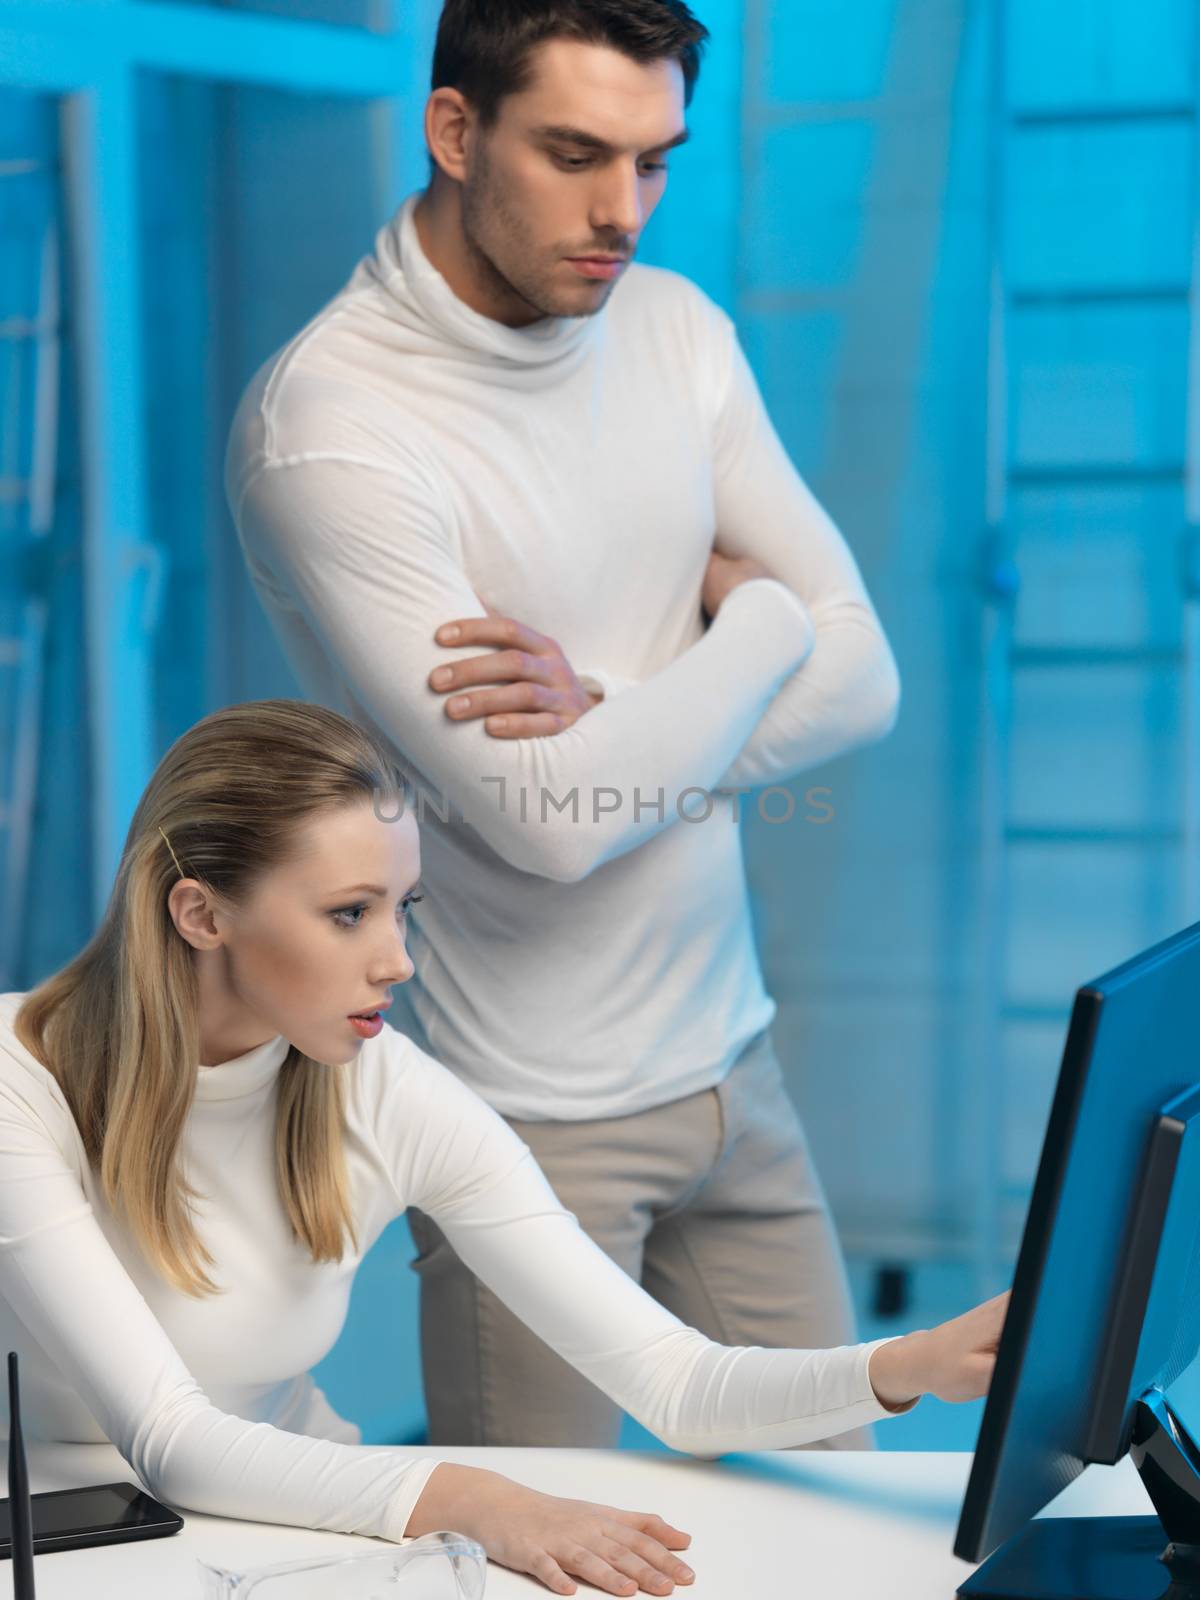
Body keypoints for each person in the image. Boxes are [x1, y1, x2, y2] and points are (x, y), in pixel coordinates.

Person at [225, 0, 903, 1452]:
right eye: (577, 153)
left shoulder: (676, 333)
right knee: (567, 1563)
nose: (623, 213)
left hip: (736, 1066)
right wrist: (766, 626)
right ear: (455, 130)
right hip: (525, 1130)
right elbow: (553, 826)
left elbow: (872, 680)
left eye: (656, 162)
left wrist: (625, 718)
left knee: (849, 1536)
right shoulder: (335, 424)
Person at [2, 702, 1003, 1597]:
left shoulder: (383, 1083)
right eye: (349, 913)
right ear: (199, 912)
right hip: (74, 1548)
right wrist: (479, 1498)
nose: (396, 958)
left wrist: (911, 1362)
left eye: (404, 909)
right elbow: (170, 1439)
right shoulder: (18, 1087)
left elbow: (673, 1380)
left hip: (303, 1541)